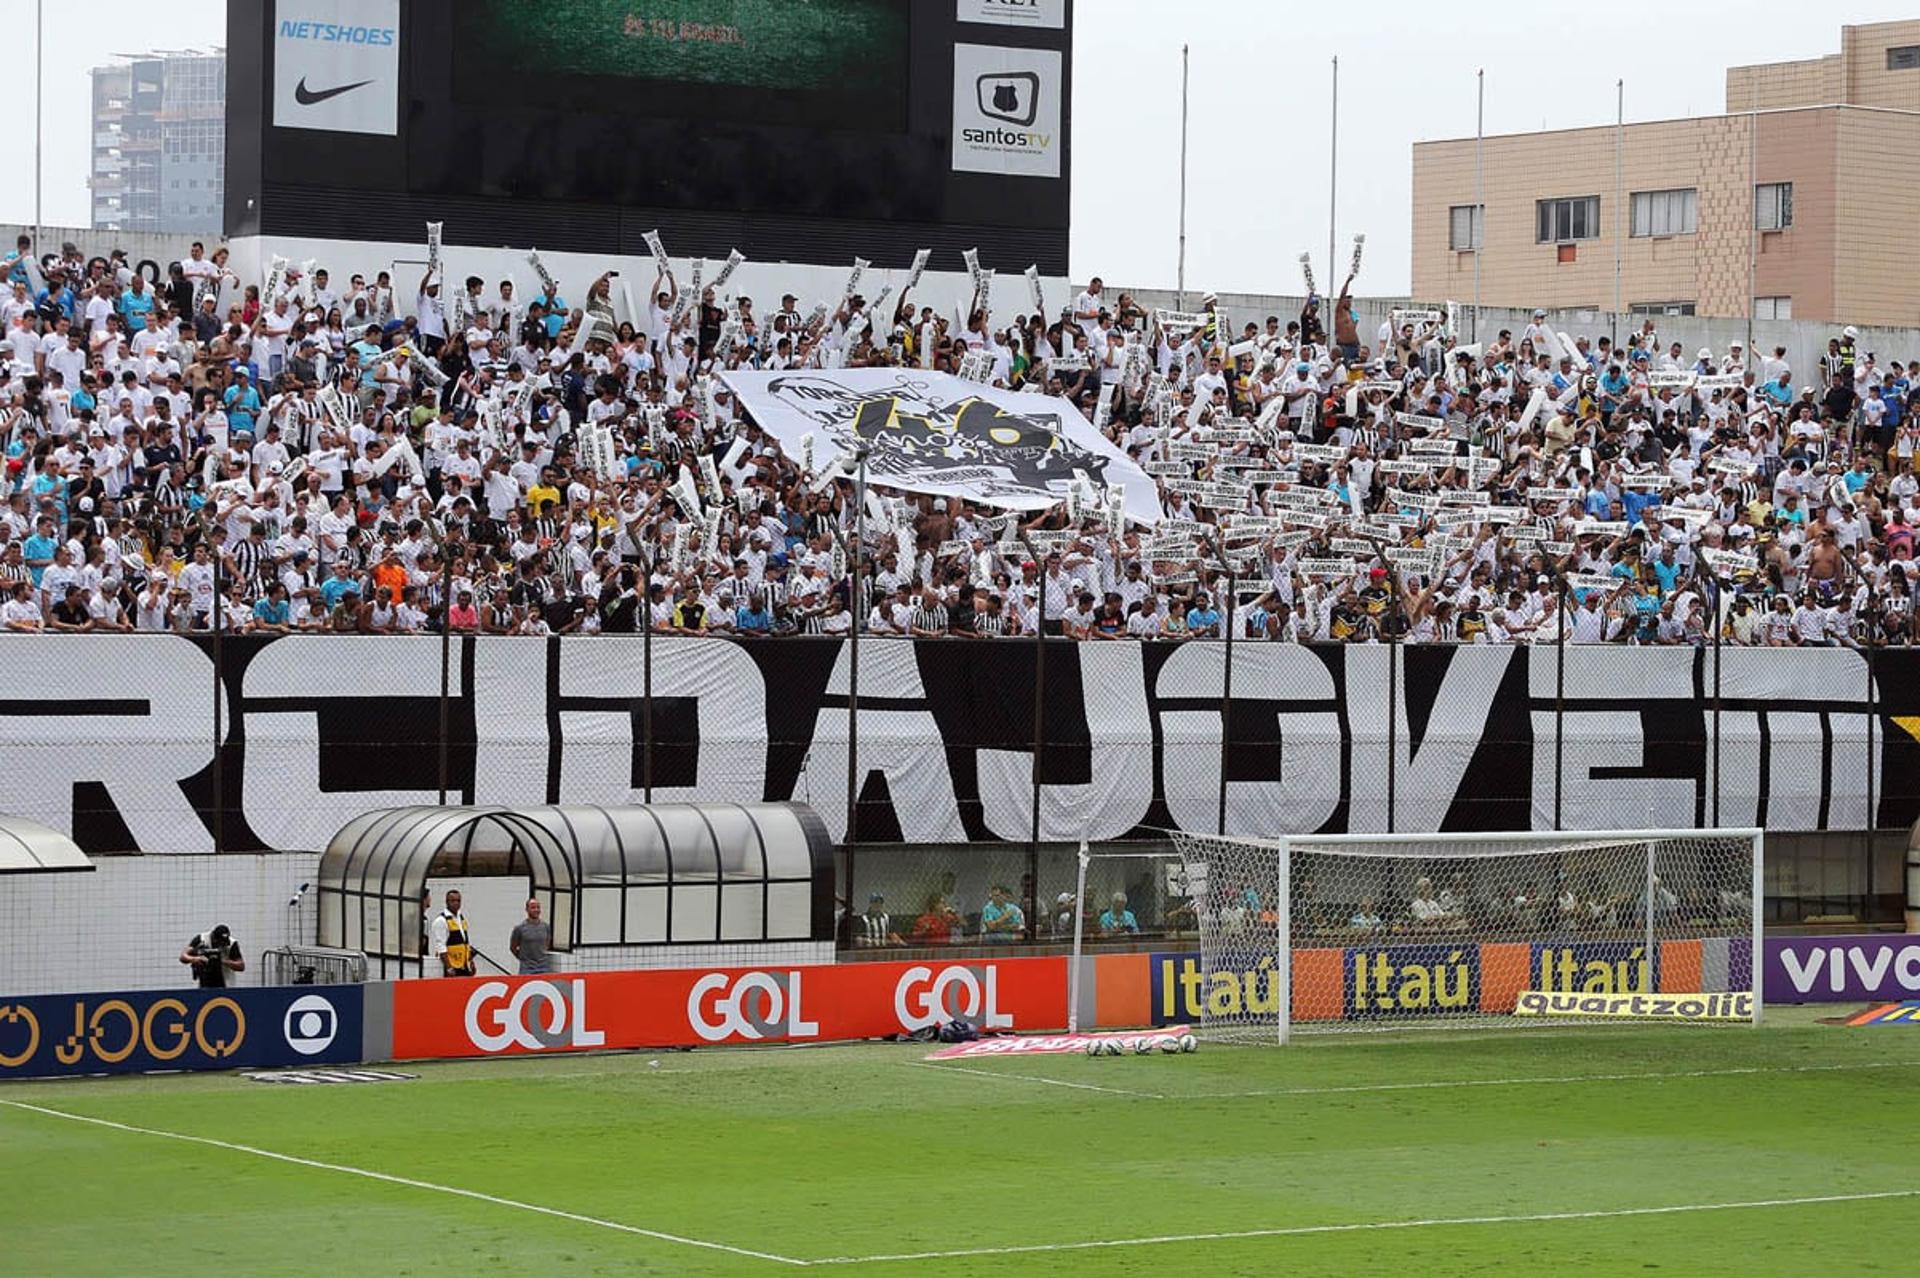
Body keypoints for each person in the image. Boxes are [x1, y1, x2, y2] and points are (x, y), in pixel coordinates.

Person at [181, 923, 245, 988]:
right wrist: (196, 959)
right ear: (214, 938)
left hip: (224, 981)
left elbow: (241, 966)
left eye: (223, 943)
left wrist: (222, 961)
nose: (221, 945)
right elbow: (183, 956)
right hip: (204, 980)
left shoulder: (232, 944)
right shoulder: (202, 939)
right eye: (219, 943)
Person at [429, 889, 475, 977]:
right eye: (453, 901)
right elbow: (441, 946)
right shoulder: (441, 921)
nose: (456, 903)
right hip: (452, 967)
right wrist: (449, 967)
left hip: (464, 966)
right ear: (447, 902)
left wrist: (470, 962)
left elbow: (465, 943)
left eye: (458, 901)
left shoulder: (461, 919)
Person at [509, 897, 552, 974]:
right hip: (527, 968)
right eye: (533, 907)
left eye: (538, 907)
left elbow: (546, 944)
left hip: (544, 967)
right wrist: (523, 959)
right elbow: (513, 948)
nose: (536, 910)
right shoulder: (519, 928)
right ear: (527, 910)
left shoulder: (546, 927)